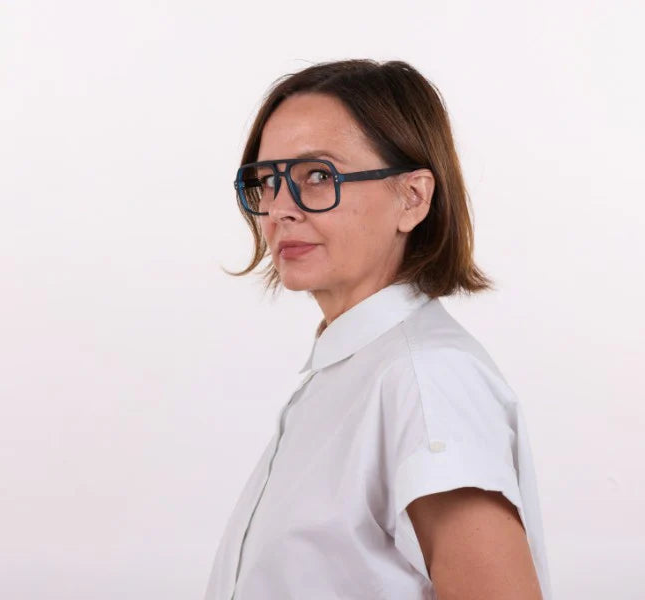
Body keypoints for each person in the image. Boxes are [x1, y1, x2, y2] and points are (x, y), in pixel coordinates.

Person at [205, 59, 552, 600]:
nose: (279, 209)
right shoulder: (352, 370)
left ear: (412, 198)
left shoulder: (426, 378)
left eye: (318, 176)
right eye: (267, 182)